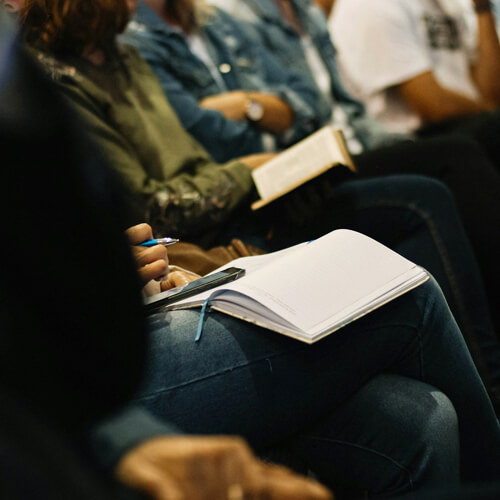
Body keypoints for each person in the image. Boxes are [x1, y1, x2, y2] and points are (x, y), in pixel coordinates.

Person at [5, 3, 500, 497]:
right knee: (405, 292)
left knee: (424, 418)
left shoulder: (122, 56)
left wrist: (118, 270)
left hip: (137, 314)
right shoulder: (48, 76)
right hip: (86, 370)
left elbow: (270, 115)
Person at [207, 0, 500, 339]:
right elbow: (297, 113)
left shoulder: (307, 12)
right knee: (452, 160)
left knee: (472, 142)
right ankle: (487, 370)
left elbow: (347, 107)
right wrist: (263, 109)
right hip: (306, 163)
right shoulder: (236, 17)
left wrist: (399, 143)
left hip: (352, 145)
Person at [122, 0, 325, 163]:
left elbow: (306, 97)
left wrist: (247, 105)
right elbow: (207, 138)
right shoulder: (133, 44)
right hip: (238, 192)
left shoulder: (215, 19)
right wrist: (278, 127)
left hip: (293, 166)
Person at [330, 0, 500, 168]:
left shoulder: (452, 5)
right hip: (406, 139)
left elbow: (492, 93)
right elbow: (435, 106)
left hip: (466, 122)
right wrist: (489, 110)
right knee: (489, 130)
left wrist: (482, 8)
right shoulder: (370, 5)